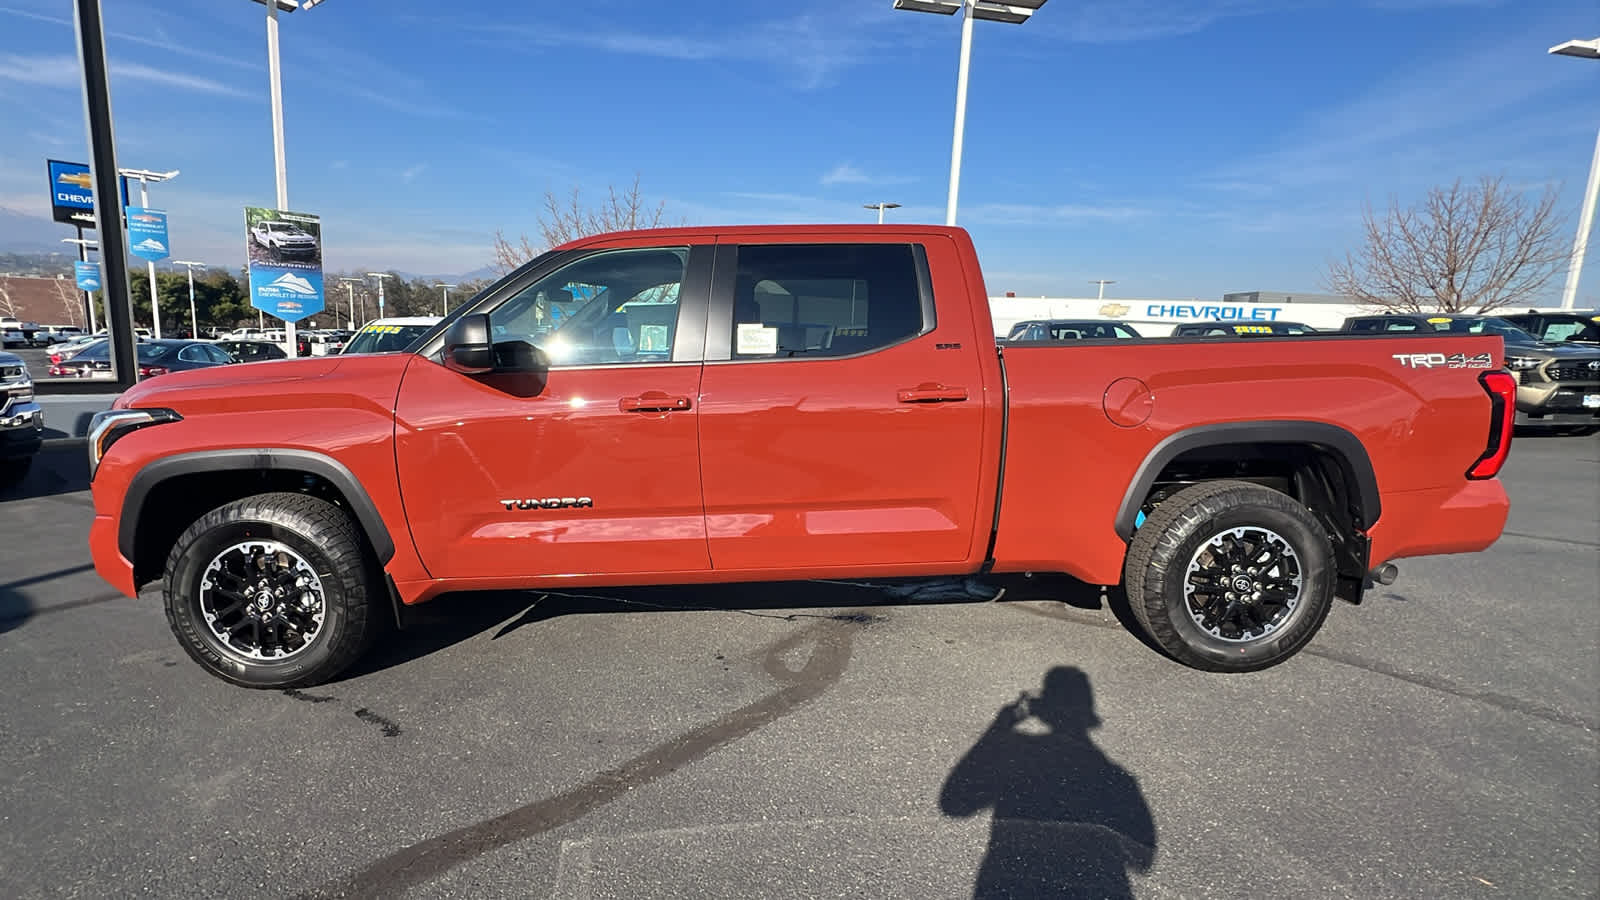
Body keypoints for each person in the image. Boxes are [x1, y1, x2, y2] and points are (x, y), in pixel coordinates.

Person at [940, 666, 1156, 899]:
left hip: (1011, 883)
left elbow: (954, 804)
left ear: (1043, 710)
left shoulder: (1017, 752)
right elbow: (1142, 860)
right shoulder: (1117, 778)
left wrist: (1000, 726)